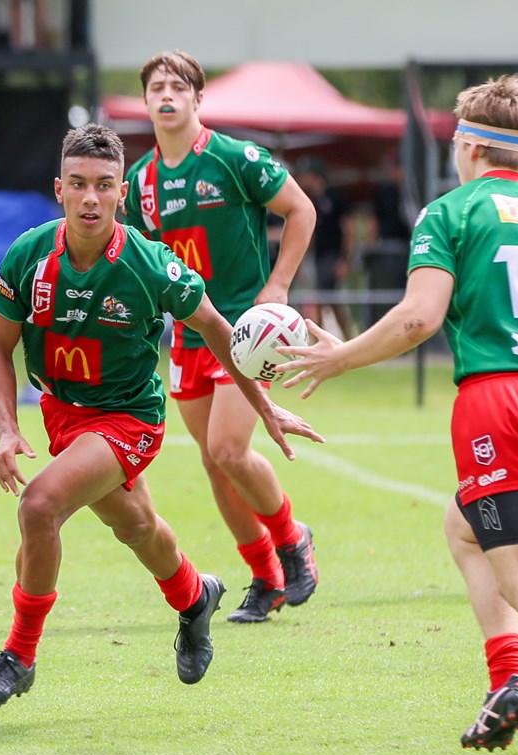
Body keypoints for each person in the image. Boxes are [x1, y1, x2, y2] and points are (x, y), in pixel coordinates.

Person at [278, 75, 518, 755]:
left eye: (455, 142)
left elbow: (419, 318)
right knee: (467, 524)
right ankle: (509, 680)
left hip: (499, 401)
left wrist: (341, 356)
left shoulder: (452, 212)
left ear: (473, 146)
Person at [0, 124, 323, 706]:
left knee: (40, 505)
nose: (90, 198)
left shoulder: (150, 264)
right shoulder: (29, 254)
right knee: (137, 528)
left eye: (103, 186)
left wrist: (263, 402)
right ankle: (194, 596)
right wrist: (7, 427)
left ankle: (18, 657)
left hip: (129, 420)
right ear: (59, 189)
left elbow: (218, 330)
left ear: (121, 194)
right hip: (63, 414)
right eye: (77, 184)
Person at [125, 50, 320, 624]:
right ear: (145, 101)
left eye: (178, 86)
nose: (167, 95)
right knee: (215, 465)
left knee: (229, 449)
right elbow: (139, 263)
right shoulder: (139, 183)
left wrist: (278, 286)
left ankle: (292, 539)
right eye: (156, 86)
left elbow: (300, 210)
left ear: (197, 98)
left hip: (243, 331)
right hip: (188, 337)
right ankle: (265, 578)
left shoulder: (234, 158)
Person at [296, 156, 357, 339]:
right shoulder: (312, 199)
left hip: (333, 256)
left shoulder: (337, 197)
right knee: (322, 299)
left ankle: (344, 338)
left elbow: (349, 230)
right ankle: (326, 339)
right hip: (319, 257)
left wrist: (345, 260)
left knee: (329, 300)